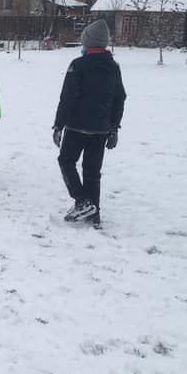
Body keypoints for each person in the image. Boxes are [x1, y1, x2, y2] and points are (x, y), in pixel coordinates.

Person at [52, 19, 126, 227]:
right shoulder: (113, 67)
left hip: (77, 126)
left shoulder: (78, 65)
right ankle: (94, 213)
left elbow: (67, 98)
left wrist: (58, 125)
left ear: (88, 41)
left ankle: (82, 201)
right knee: (92, 171)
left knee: (66, 161)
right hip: (101, 129)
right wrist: (113, 128)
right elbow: (120, 98)